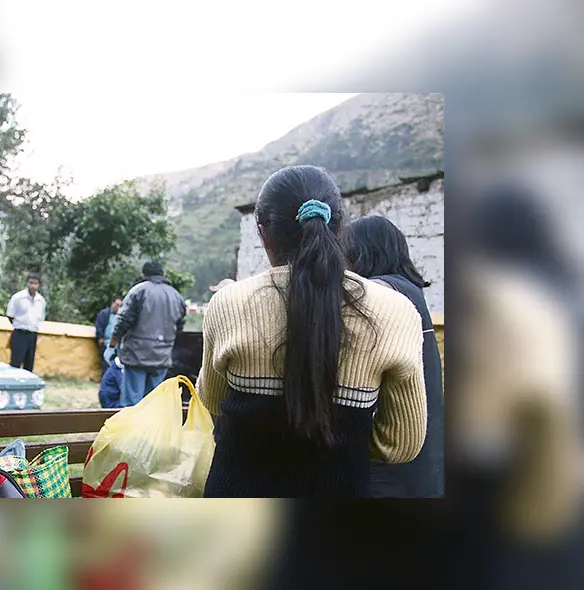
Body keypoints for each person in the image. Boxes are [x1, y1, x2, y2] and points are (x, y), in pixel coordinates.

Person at [196, 165, 427, 498]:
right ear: (339, 228)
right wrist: (341, 442)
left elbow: (214, 401)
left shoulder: (229, 303)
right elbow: (401, 444)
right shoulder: (395, 311)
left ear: (264, 234)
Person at [342, 215, 444, 498]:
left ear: (359, 253)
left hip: (390, 466)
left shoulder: (383, 292)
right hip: (423, 462)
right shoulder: (410, 292)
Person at [110, 261, 187, 406]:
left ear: (143, 274)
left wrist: (114, 340)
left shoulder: (138, 291)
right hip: (162, 356)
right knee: (153, 402)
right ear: (163, 275)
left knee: (132, 401)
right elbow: (179, 327)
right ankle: (151, 428)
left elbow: (124, 320)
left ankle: (132, 428)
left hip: (136, 354)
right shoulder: (176, 296)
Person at [6, 273, 46, 372]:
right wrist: (19, 325)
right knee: (15, 362)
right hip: (20, 333)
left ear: (39, 285)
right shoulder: (18, 298)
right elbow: (10, 315)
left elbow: (40, 318)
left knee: (29, 364)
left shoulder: (41, 300)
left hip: (32, 335)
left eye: (35, 283)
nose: (33, 286)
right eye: (31, 283)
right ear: (27, 283)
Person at [94, 297, 122, 373]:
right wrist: (100, 337)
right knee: (105, 362)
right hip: (106, 342)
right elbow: (99, 325)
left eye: (119, 305)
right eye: (116, 304)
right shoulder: (104, 313)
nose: (117, 307)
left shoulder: (121, 316)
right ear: (112, 304)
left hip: (117, 343)